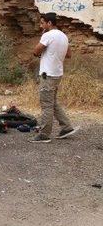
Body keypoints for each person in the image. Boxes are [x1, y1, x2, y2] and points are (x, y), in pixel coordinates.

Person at [29, 12, 79, 143]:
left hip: (47, 74)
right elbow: (68, 55)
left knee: (46, 104)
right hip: (57, 73)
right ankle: (67, 127)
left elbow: (36, 51)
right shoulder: (63, 36)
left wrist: (42, 45)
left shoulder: (48, 35)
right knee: (53, 103)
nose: (41, 26)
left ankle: (44, 135)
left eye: (42, 23)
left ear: (49, 23)